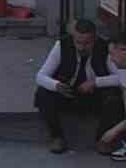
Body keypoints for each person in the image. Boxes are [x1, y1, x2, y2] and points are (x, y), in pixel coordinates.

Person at [34, 18, 126, 153]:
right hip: (68, 94)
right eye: (78, 42)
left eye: (87, 43)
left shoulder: (105, 48)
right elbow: (40, 76)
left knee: (114, 98)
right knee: (43, 93)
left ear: (94, 39)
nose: (82, 47)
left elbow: (121, 78)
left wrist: (96, 82)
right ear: (73, 38)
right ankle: (56, 137)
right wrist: (56, 85)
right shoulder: (61, 46)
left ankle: (102, 140)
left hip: (96, 96)